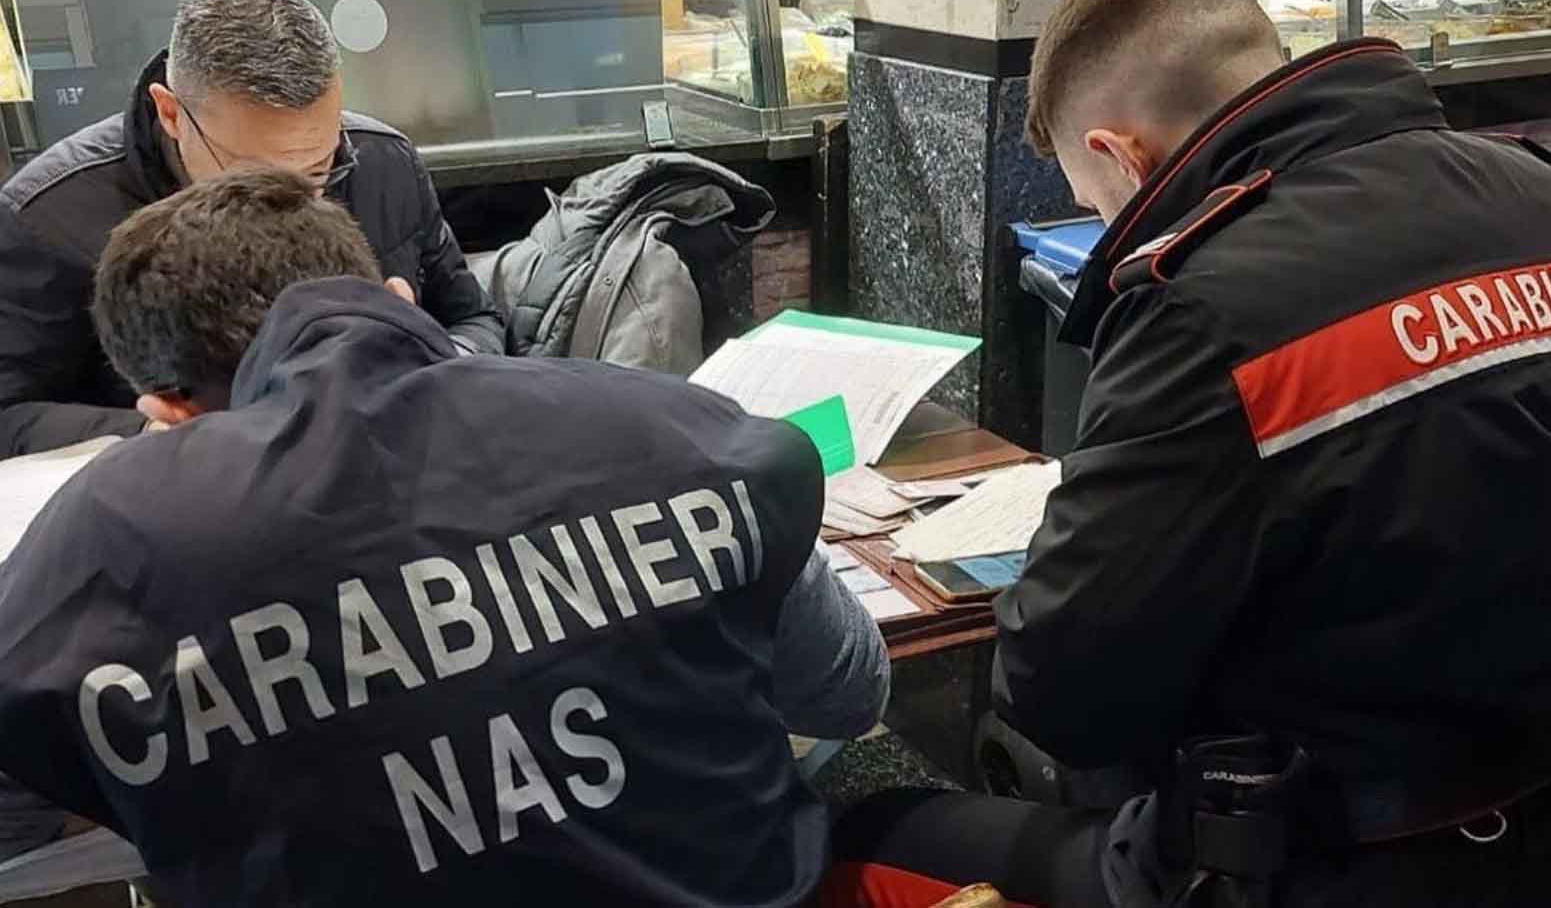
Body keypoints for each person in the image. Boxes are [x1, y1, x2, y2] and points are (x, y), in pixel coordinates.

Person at [828, 0, 1551, 905]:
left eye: (1093, 201)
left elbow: (1065, 696)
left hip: (1325, 858)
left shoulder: (1200, 312)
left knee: (870, 826)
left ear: (1125, 158)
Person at [0, 169, 888, 905]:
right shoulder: (664, 422)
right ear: (392, 298)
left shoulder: (102, 546)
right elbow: (850, 692)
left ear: (166, 411)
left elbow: (58, 790)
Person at [0, 0, 504, 460]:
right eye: (256, 174)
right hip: (185, 493)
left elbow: (476, 319)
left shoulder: (380, 161)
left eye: (319, 168)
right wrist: (164, 433)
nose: (300, 203)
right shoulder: (49, 217)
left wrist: (434, 370)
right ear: (172, 114)